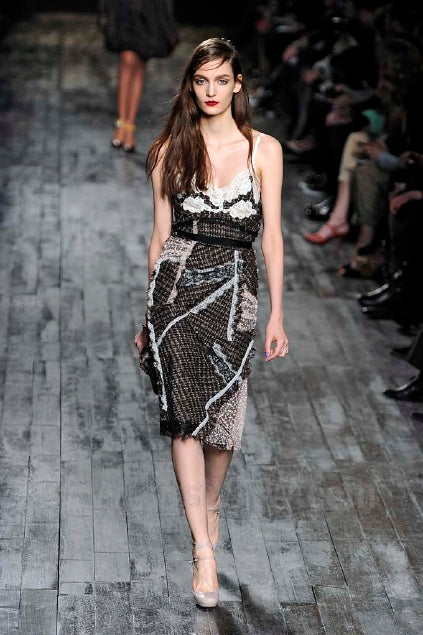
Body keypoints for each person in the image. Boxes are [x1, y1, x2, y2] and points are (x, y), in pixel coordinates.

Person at [134, 38, 288, 608]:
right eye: (202, 81)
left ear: (238, 84)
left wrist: (278, 313)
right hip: (175, 293)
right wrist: (146, 315)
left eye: (222, 80)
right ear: (190, 86)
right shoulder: (168, 150)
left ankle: (212, 501)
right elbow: (159, 237)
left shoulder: (264, 150)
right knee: (182, 419)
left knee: (223, 416)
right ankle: (203, 549)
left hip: (237, 289)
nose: (211, 91)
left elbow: (272, 237)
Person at [98, 0, 178, 152]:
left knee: (140, 62)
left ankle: (130, 125)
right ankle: (121, 122)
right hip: (126, 6)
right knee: (127, 60)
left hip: (148, 8)